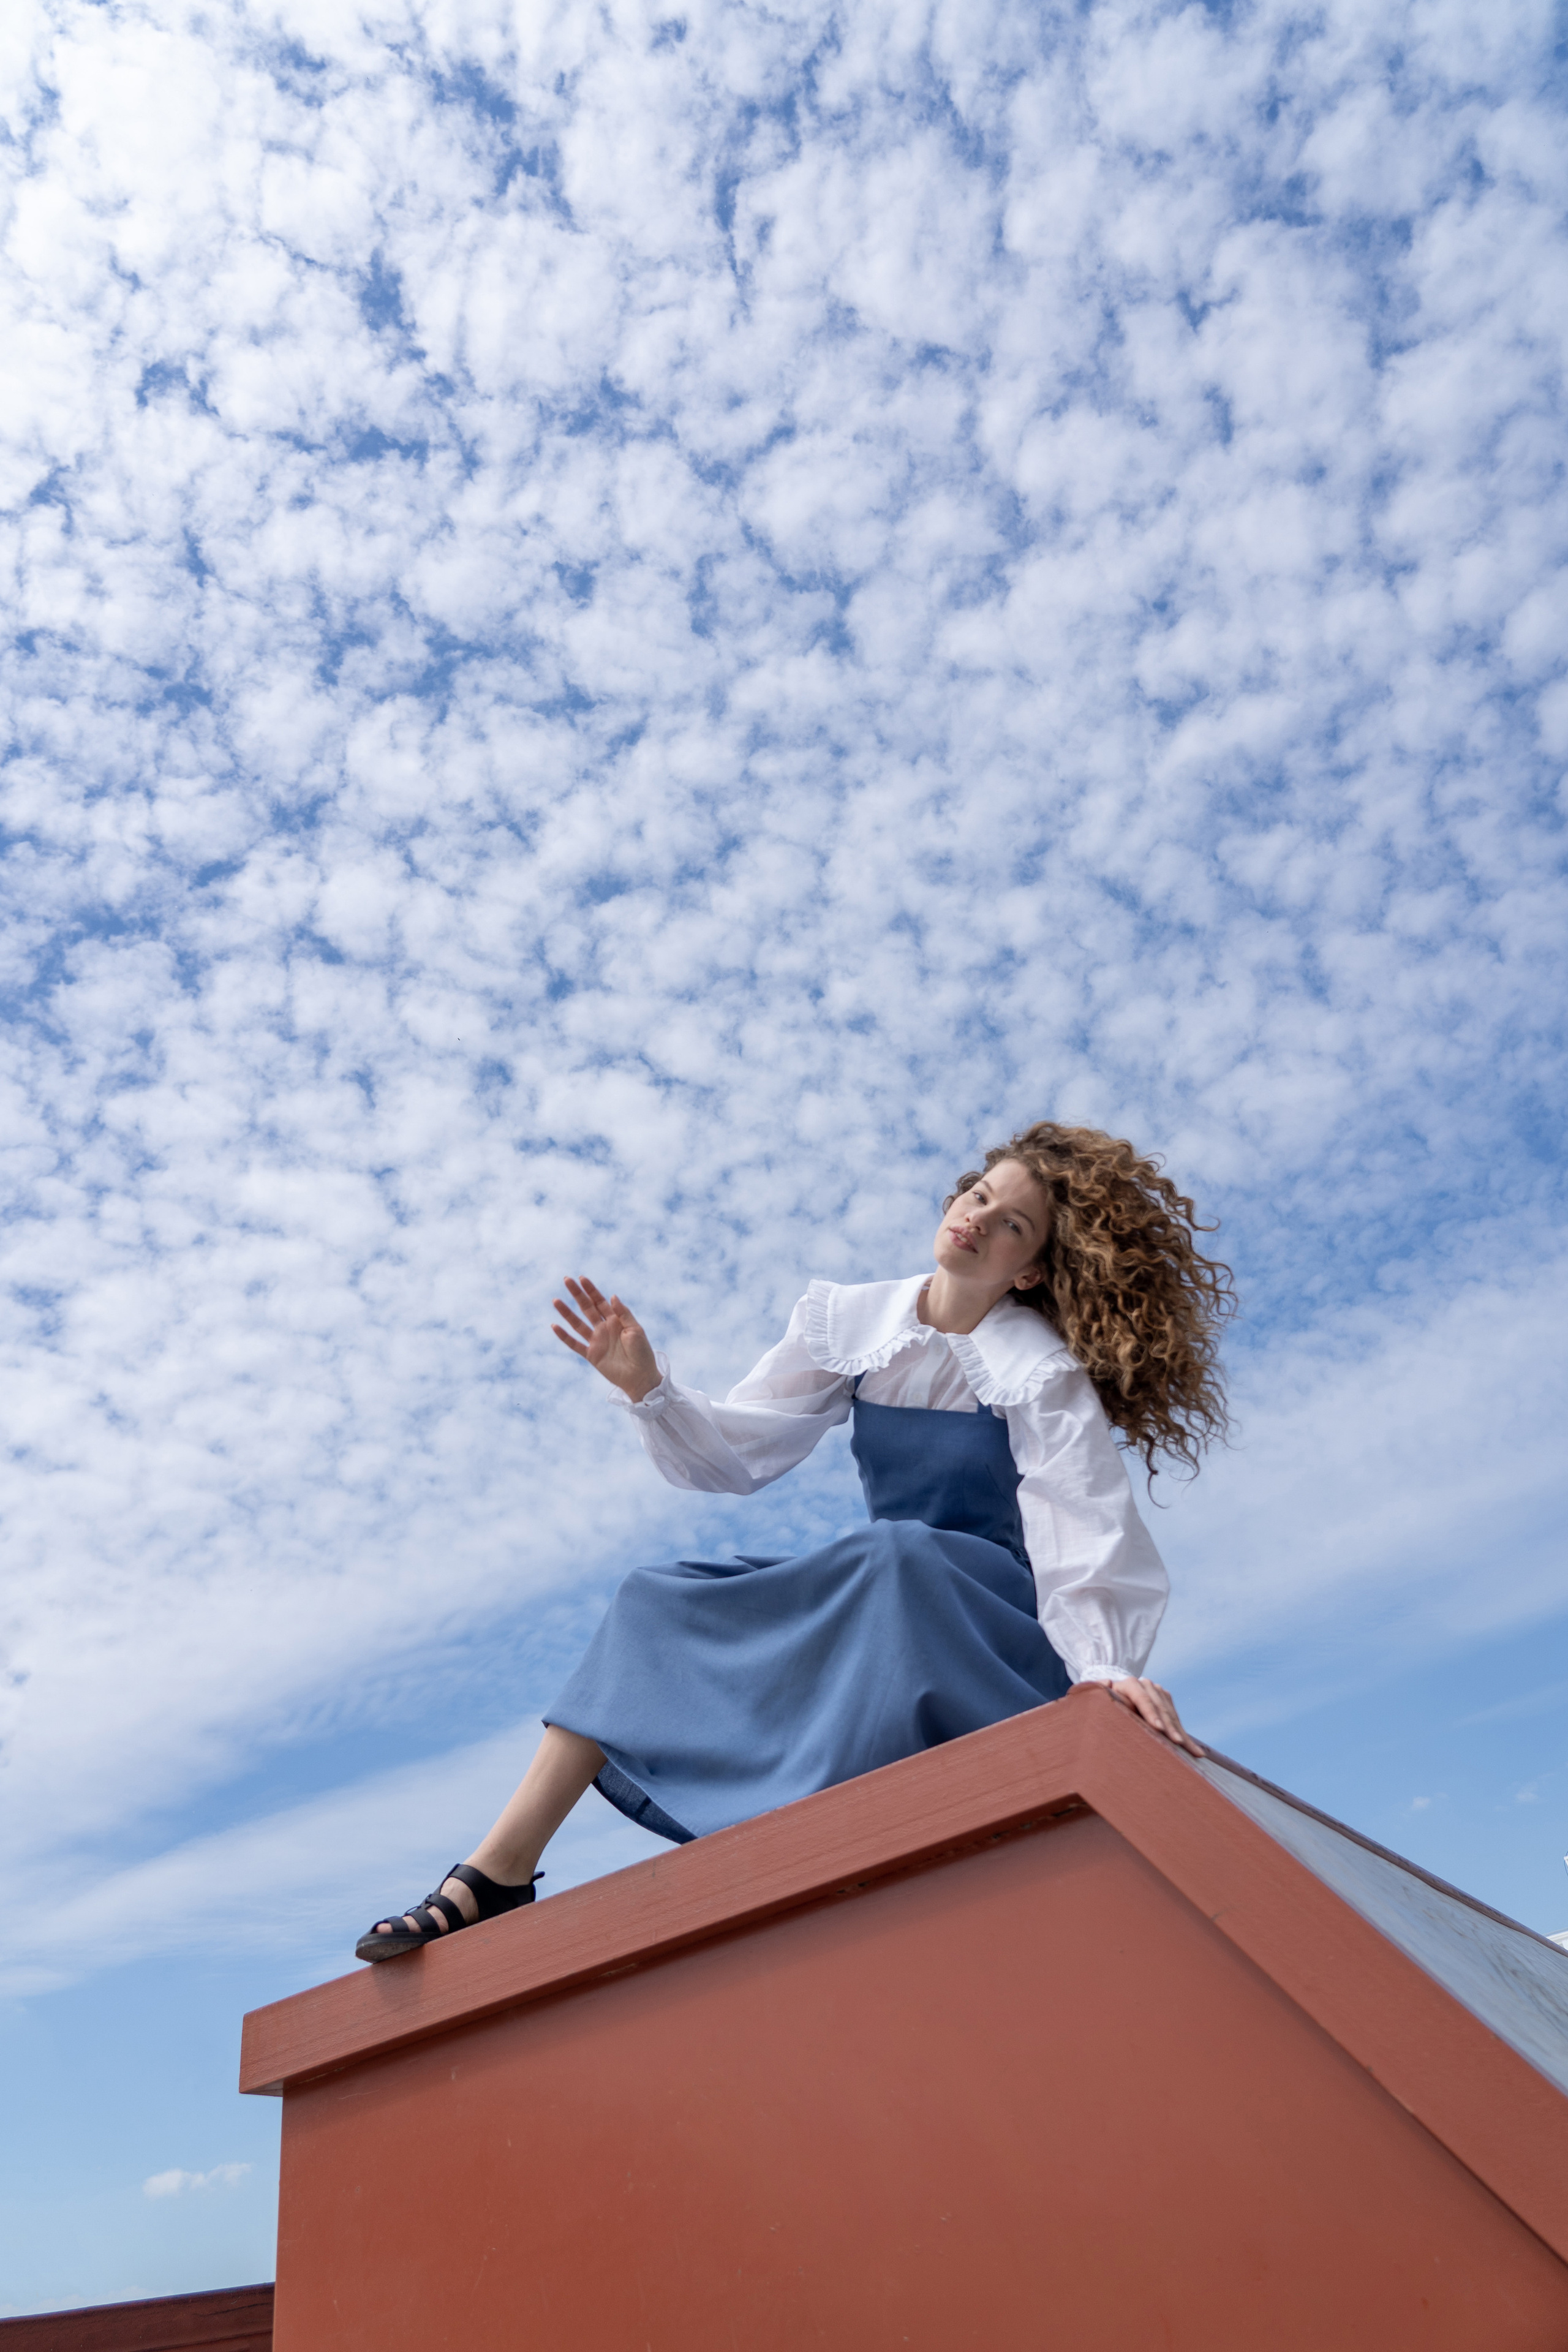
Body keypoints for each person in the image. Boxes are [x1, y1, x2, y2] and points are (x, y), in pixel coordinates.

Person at [357, 1120, 1233, 1961]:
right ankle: (499, 1870)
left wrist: (1107, 1668)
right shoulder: (859, 1324)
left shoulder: (1037, 1372)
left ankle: (840, 1843)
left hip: (989, 1630)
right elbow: (742, 1454)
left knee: (896, 1556)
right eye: (976, 1194)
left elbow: (1079, 1517)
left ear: (1032, 1271)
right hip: (888, 1593)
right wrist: (651, 1388)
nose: (974, 1217)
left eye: (1010, 1224)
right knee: (652, 1598)